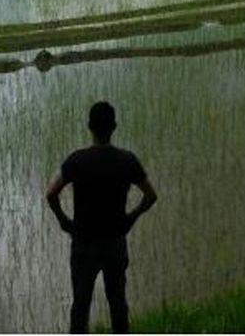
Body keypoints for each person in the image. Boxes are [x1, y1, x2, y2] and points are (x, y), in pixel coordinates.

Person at [46, 101, 158, 334]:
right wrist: (132, 217)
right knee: (117, 302)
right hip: (115, 242)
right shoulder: (127, 160)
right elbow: (150, 195)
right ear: (114, 126)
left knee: (80, 305)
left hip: (84, 243)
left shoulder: (77, 160)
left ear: (89, 126)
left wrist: (64, 221)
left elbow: (51, 193)